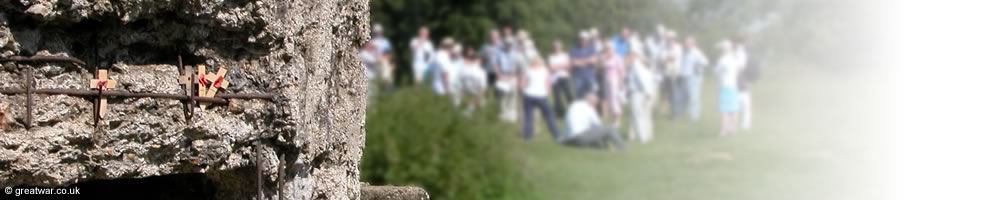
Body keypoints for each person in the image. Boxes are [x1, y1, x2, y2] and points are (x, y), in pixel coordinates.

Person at [558, 89, 625, 150]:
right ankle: (623, 148)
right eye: (595, 102)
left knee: (598, 132)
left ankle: (604, 147)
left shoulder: (575, 104)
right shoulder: (589, 108)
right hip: (580, 138)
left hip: (569, 139)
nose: (596, 104)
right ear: (591, 100)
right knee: (610, 129)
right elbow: (599, 126)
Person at [520, 57, 562, 140]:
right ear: (541, 63)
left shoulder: (528, 70)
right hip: (542, 96)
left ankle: (528, 136)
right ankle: (557, 135)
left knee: (529, 116)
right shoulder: (545, 70)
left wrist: (524, 92)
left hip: (529, 95)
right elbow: (548, 84)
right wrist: (548, 93)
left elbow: (522, 84)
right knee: (550, 115)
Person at [626, 47, 657, 143]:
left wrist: (648, 93)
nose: (628, 57)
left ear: (635, 56)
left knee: (638, 115)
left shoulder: (636, 66)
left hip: (638, 93)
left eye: (631, 55)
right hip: (636, 92)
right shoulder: (636, 66)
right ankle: (633, 135)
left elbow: (642, 80)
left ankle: (643, 137)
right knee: (635, 114)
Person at [715, 40, 743, 136]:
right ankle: (733, 130)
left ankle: (724, 130)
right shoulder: (734, 59)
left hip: (725, 86)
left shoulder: (723, 59)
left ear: (724, 49)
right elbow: (739, 69)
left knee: (725, 110)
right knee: (733, 109)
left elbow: (716, 71)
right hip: (733, 86)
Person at [680, 36, 709, 120]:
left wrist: (697, 66)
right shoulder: (685, 52)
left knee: (694, 97)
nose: (686, 44)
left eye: (688, 43)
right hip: (685, 76)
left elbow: (705, 62)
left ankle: (695, 116)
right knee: (686, 97)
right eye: (685, 43)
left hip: (694, 77)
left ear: (693, 44)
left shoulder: (696, 52)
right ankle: (687, 114)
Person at [600, 39, 626, 125]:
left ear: (613, 49)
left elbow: (622, 70)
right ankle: (614, 120)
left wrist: (621, 81)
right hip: (606, 79)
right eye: (607, 49)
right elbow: (601, 67)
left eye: (609, 49)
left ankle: (618, 119)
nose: (608, 50)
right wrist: (604, 57)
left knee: (614, 99)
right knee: (609, 99)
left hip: (614, 80)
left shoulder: (617, 58)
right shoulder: (604, 58)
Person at [547, 40, 574, 116]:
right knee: (557, 97)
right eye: (555, 47)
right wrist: (562, 66)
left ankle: (573, 110)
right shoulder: (551, 57)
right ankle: (560, 113)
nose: (557, 48)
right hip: (555, 79)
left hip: (564, 77)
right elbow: (551, 68)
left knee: (569, 95)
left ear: (561, 47)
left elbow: (568, 66)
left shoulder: (565, 55)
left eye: (558, 47)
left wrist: (557, 66)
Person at [570, 31, 599, 97]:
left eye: (585, 39)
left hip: (590, 76)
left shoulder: (592, 49)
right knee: (579, 96)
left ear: (587, 40)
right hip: (578, 77)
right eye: (582, 39)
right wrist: (587, 60)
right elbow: (574, 63)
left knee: (591, 95)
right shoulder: (574, 49)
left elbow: (594, 60)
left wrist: (580, 61)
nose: (583, 40)